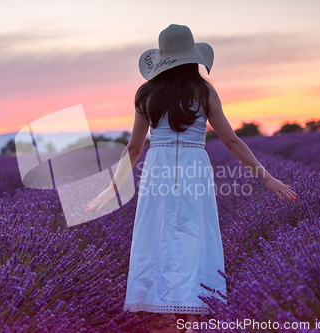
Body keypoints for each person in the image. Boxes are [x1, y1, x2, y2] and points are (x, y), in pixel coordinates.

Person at [84, 24, 299, 333]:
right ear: (192, 56)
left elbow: (133, 148)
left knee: (158, 237)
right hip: (193, 168)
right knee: (193, 237)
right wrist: (267, 178)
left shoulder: (146, 94)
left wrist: (111, 188)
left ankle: (166, 315)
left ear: (162, 60)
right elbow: (231, 141)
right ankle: (190, 316)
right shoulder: (204, 91)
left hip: (157, 169)